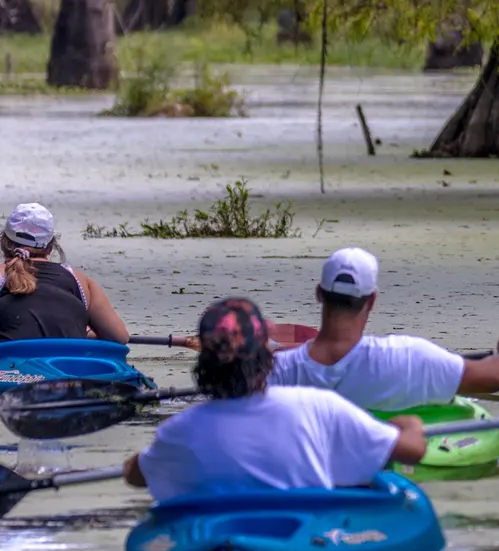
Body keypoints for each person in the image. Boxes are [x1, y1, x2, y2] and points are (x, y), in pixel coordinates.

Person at [124, 297, 427, 501]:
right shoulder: (318, 406)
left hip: (218, 539)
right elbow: (411, 451)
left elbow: (134, 475)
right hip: (301, 536)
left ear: (204, 365)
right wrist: (409, 425)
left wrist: (140, 459)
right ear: (267, 358)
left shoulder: (178, 429)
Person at [268, 247, 499, 409]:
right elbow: (495, 376)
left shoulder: (274, 370)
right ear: (372, 300)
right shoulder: (407, 357)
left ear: (319, 294)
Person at [0, 203, 127, 343]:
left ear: (4, 242)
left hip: (12, 362)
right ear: (50, 247)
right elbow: (120, 337)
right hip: (70, 362)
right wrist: (87, 333)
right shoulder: (81, 281)